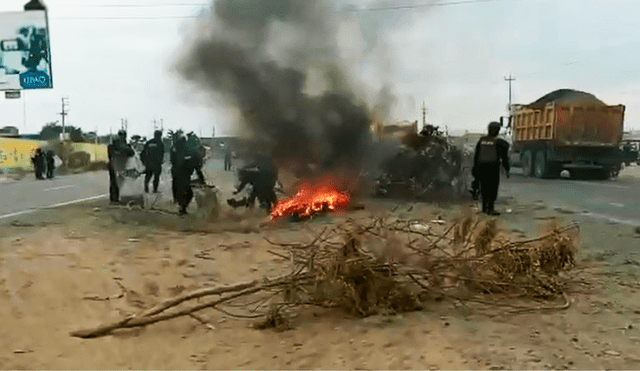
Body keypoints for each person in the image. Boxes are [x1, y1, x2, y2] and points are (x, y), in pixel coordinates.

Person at [472, 121, 510, 216]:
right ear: (497, 130)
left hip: (481, 167)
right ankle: (491, 209)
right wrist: (507, 169)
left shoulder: (481, 140)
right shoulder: (499, 142)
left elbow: (476, 156)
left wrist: (475, 169)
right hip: (492, 168)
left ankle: (485, 208)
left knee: (484, 188)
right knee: (492, 189)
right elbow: (504, 157)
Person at [172, 135, 206, 215]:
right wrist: (202, 181)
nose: (203, 155)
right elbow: (198, 171)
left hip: (177, 173)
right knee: (189, 193)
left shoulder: (190, 153)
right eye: (203, 153)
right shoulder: (194, 156)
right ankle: (182, 208)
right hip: (181, 174)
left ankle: (181, 206)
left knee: (183, 190)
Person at [107, 130, 135, 204]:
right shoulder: (116, 145)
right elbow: (112, 154)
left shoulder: (123, 145)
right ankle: (114, 199)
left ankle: (114, 198)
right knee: (116, 182)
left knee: (116, 182)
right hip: (117, 165)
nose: (123, 137)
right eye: (122, 135)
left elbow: (131, 153)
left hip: (117, 165)